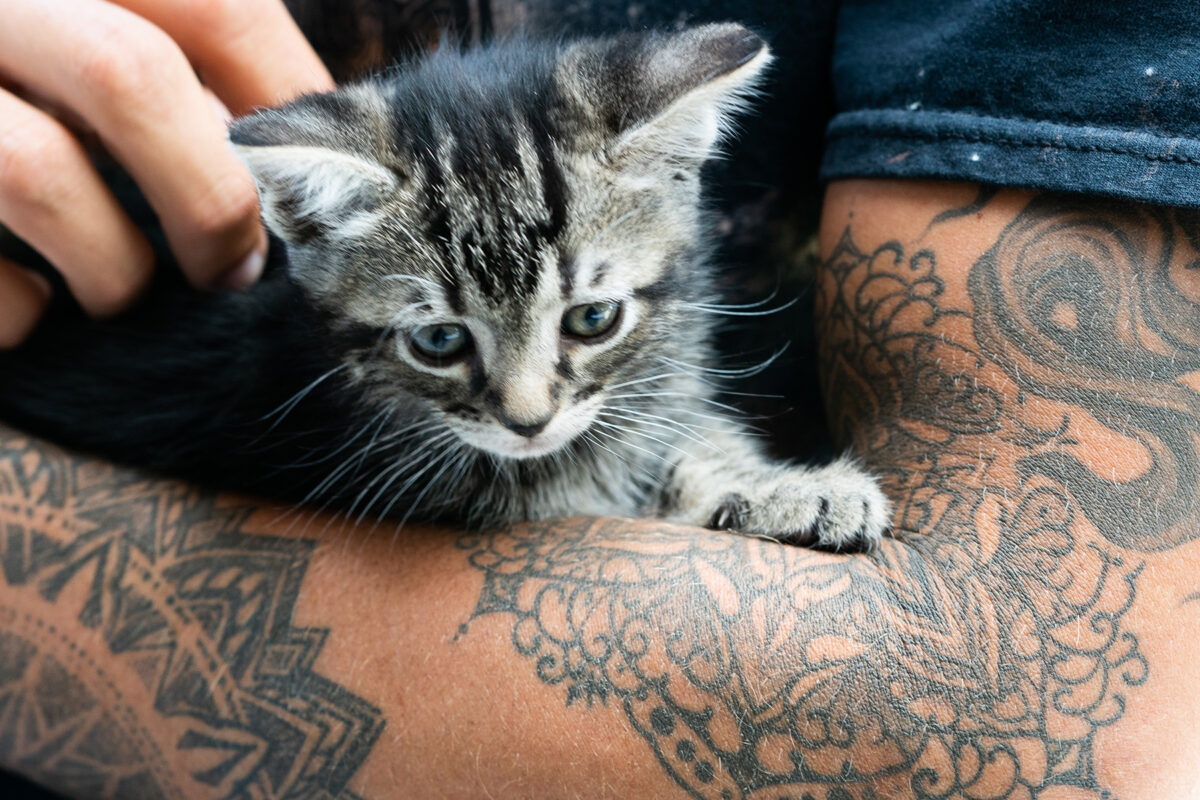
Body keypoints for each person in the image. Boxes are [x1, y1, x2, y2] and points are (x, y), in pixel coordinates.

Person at [1, 1, 1197, 798]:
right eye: (437, 341)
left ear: (676, 167)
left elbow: (1059, 737)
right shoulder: (310, 361)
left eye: (589, 320)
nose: (527, 407)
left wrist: (717, 474)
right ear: (314, 229)